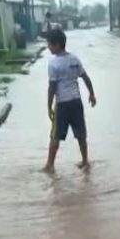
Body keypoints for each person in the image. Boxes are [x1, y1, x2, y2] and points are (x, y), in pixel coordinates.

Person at [44, 28, 96, 172]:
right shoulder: (74, 59)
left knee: (55, 135)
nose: (48, 46)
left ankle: (50, 165)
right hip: (76, 102)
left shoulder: (53, 64)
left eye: (49, 44)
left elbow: (52, 87)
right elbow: (85, 77)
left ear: (57, 44)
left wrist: (49, 106)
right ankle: (85, 161)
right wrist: (92, 94)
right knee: (81, 133)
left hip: (62, 104)